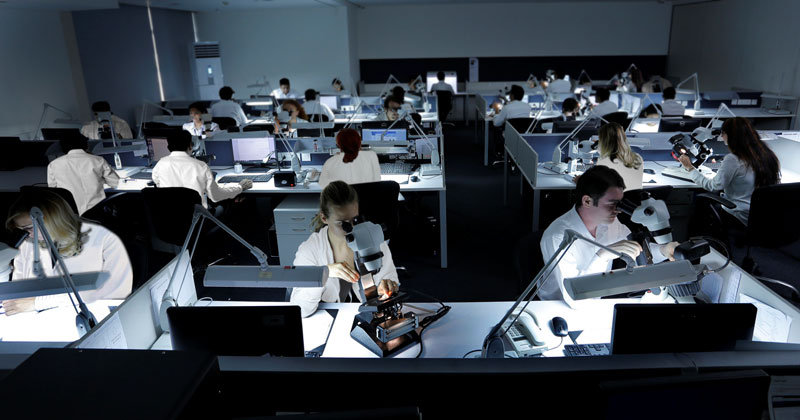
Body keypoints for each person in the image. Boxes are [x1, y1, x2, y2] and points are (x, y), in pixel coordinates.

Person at [539, 166, 678, 308]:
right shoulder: (558, 237)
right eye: (611, 204)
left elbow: (636, 250)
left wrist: (663, 250)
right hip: (557, 306)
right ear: (587, 201)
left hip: (597, 298)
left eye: (619, 203)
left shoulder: (608, 222)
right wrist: (602, 255)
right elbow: (575, 300)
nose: (618, 210)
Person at [1, 190, 133, 315]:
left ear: (54, 221)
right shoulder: (28, 244)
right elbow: (18, 294)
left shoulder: (104, 240)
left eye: (29, 228)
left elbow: (114, 293)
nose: (27, 235)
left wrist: (38, 303)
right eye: (21, 230)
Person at [291, 181, 399, 317]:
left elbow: (389, 279)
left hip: (367, 313)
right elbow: (301, 309)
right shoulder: (310, 250)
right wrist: (323, 273)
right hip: (326, 316)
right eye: (343, 223)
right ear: (324, 218)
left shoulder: (372, 237)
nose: (351, 228)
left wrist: (387, 286)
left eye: (355, 220)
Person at [678, 117, 780, 226]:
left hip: (739, 215)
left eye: (723, 133)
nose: (721, 137)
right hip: (763, 216)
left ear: (731, 136)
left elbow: (713, 186)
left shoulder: (733, 159)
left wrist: (689, 168)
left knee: (699, 203)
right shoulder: (768, 155)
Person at [152, 131, 252, 208]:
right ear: (190, 146)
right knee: (228, 205)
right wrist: (240, 187)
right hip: (197, 218)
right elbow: (216, 196)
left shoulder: (160, 165)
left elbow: (159, 186)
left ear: (169, 147)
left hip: (167, 217)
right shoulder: (200, 166)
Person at [47, 132, 120, 215]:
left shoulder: (54, 164)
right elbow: (115, 182)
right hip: (96, 210)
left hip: (70, 211)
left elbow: (53, 191)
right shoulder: (98, 160)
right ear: (86, 145)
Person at [595, 122, 643, 191]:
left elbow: (598, 189)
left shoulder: (604, 162)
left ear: (603, 141)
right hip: (635, 197)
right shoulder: (638, 158)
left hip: (617, 198)